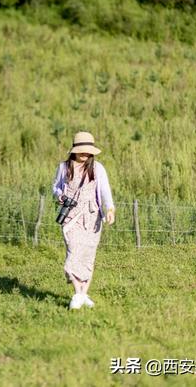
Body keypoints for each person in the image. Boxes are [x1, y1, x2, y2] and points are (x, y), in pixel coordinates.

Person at [52, 131, 115, 310]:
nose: (85, 154)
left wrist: (109, 209)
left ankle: (81, 294)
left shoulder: (98, 168)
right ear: (74, 150)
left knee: (88, 255)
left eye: (88, 151)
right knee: (74, 252)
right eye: (82, 150)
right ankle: (79, 293)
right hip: (71, 217)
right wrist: (61, 197)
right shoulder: (64, 167)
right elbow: (55, 187)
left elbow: (105, 191)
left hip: (92, 216)